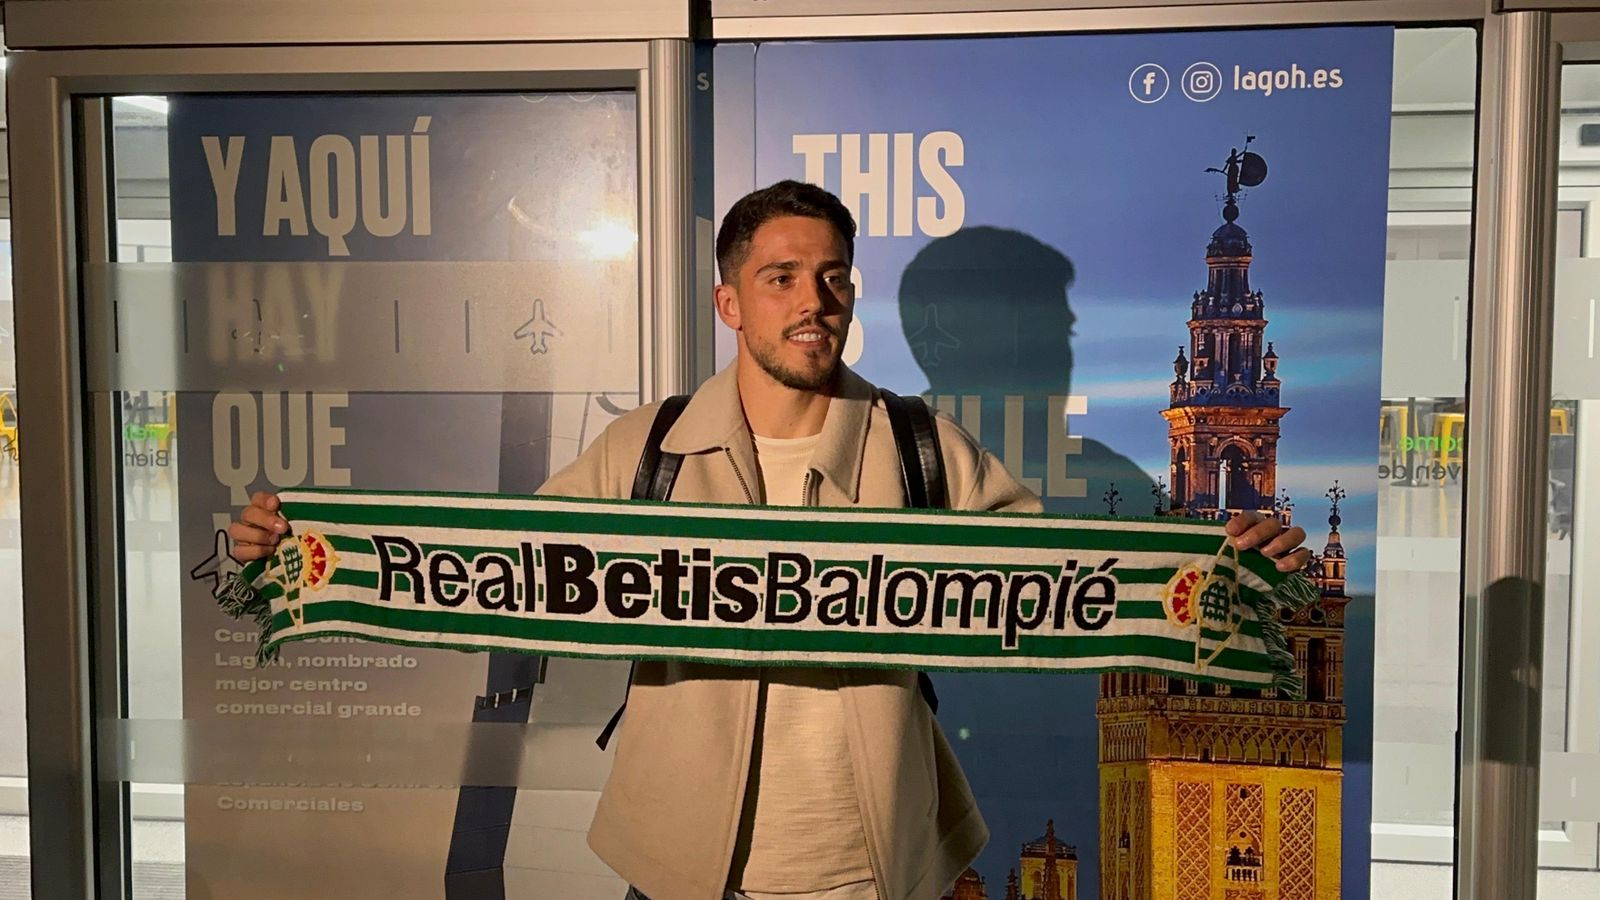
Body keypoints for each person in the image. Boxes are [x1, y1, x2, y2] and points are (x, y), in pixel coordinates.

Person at [228, 180, 1310, 900]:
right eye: (782, 278)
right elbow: (497, 574)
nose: (814, 300)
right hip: (684, 865)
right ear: (729, 302)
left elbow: (1070, 588)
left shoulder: (923, 449)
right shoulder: (644, 448)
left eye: (834, 277)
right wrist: (297, 549)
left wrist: (1227, 578)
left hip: (871, 862)